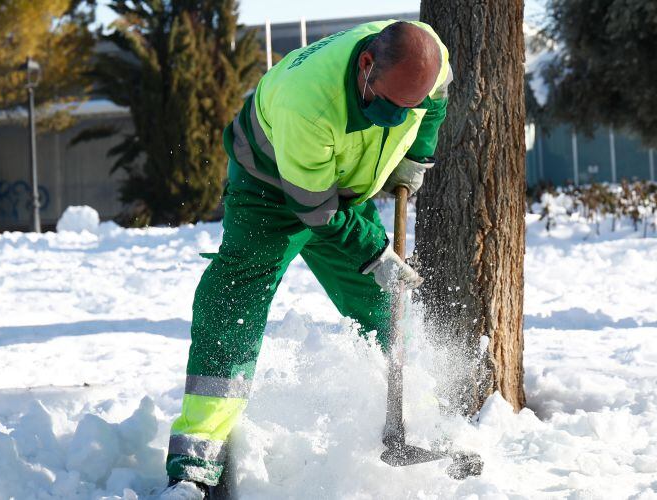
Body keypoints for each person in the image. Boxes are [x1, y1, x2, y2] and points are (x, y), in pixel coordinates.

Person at [160, 19, 451, 499]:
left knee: (386, 303)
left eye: (409, 109)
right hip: (272, 189)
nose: (398, 117)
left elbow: (436, 100)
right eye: (387, 106)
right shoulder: (308, 104)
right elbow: (316, 210)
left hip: (341, 191)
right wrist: (374, 251)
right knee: (234, 305)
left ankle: (407, 420)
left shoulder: (429, 61)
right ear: (365, 66)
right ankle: (196, 462)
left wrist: (414, 156)